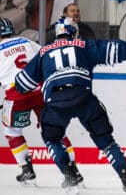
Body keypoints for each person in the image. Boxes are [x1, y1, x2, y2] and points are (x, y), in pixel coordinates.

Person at [14, 16, 126, 192]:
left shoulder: (44, 52)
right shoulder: (84, 45)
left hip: (55, 101)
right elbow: (117, 50)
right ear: (74, 32)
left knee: (52, 139)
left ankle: (69, 175)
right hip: (83, 96)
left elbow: (22, 84)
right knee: (107, 142)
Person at [0, 17, 83, 186]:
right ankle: (73, 172)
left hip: (17, 93)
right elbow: (48, 57)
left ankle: (27, 170)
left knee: (12, 131)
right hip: (41, 89)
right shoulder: (26, 41)